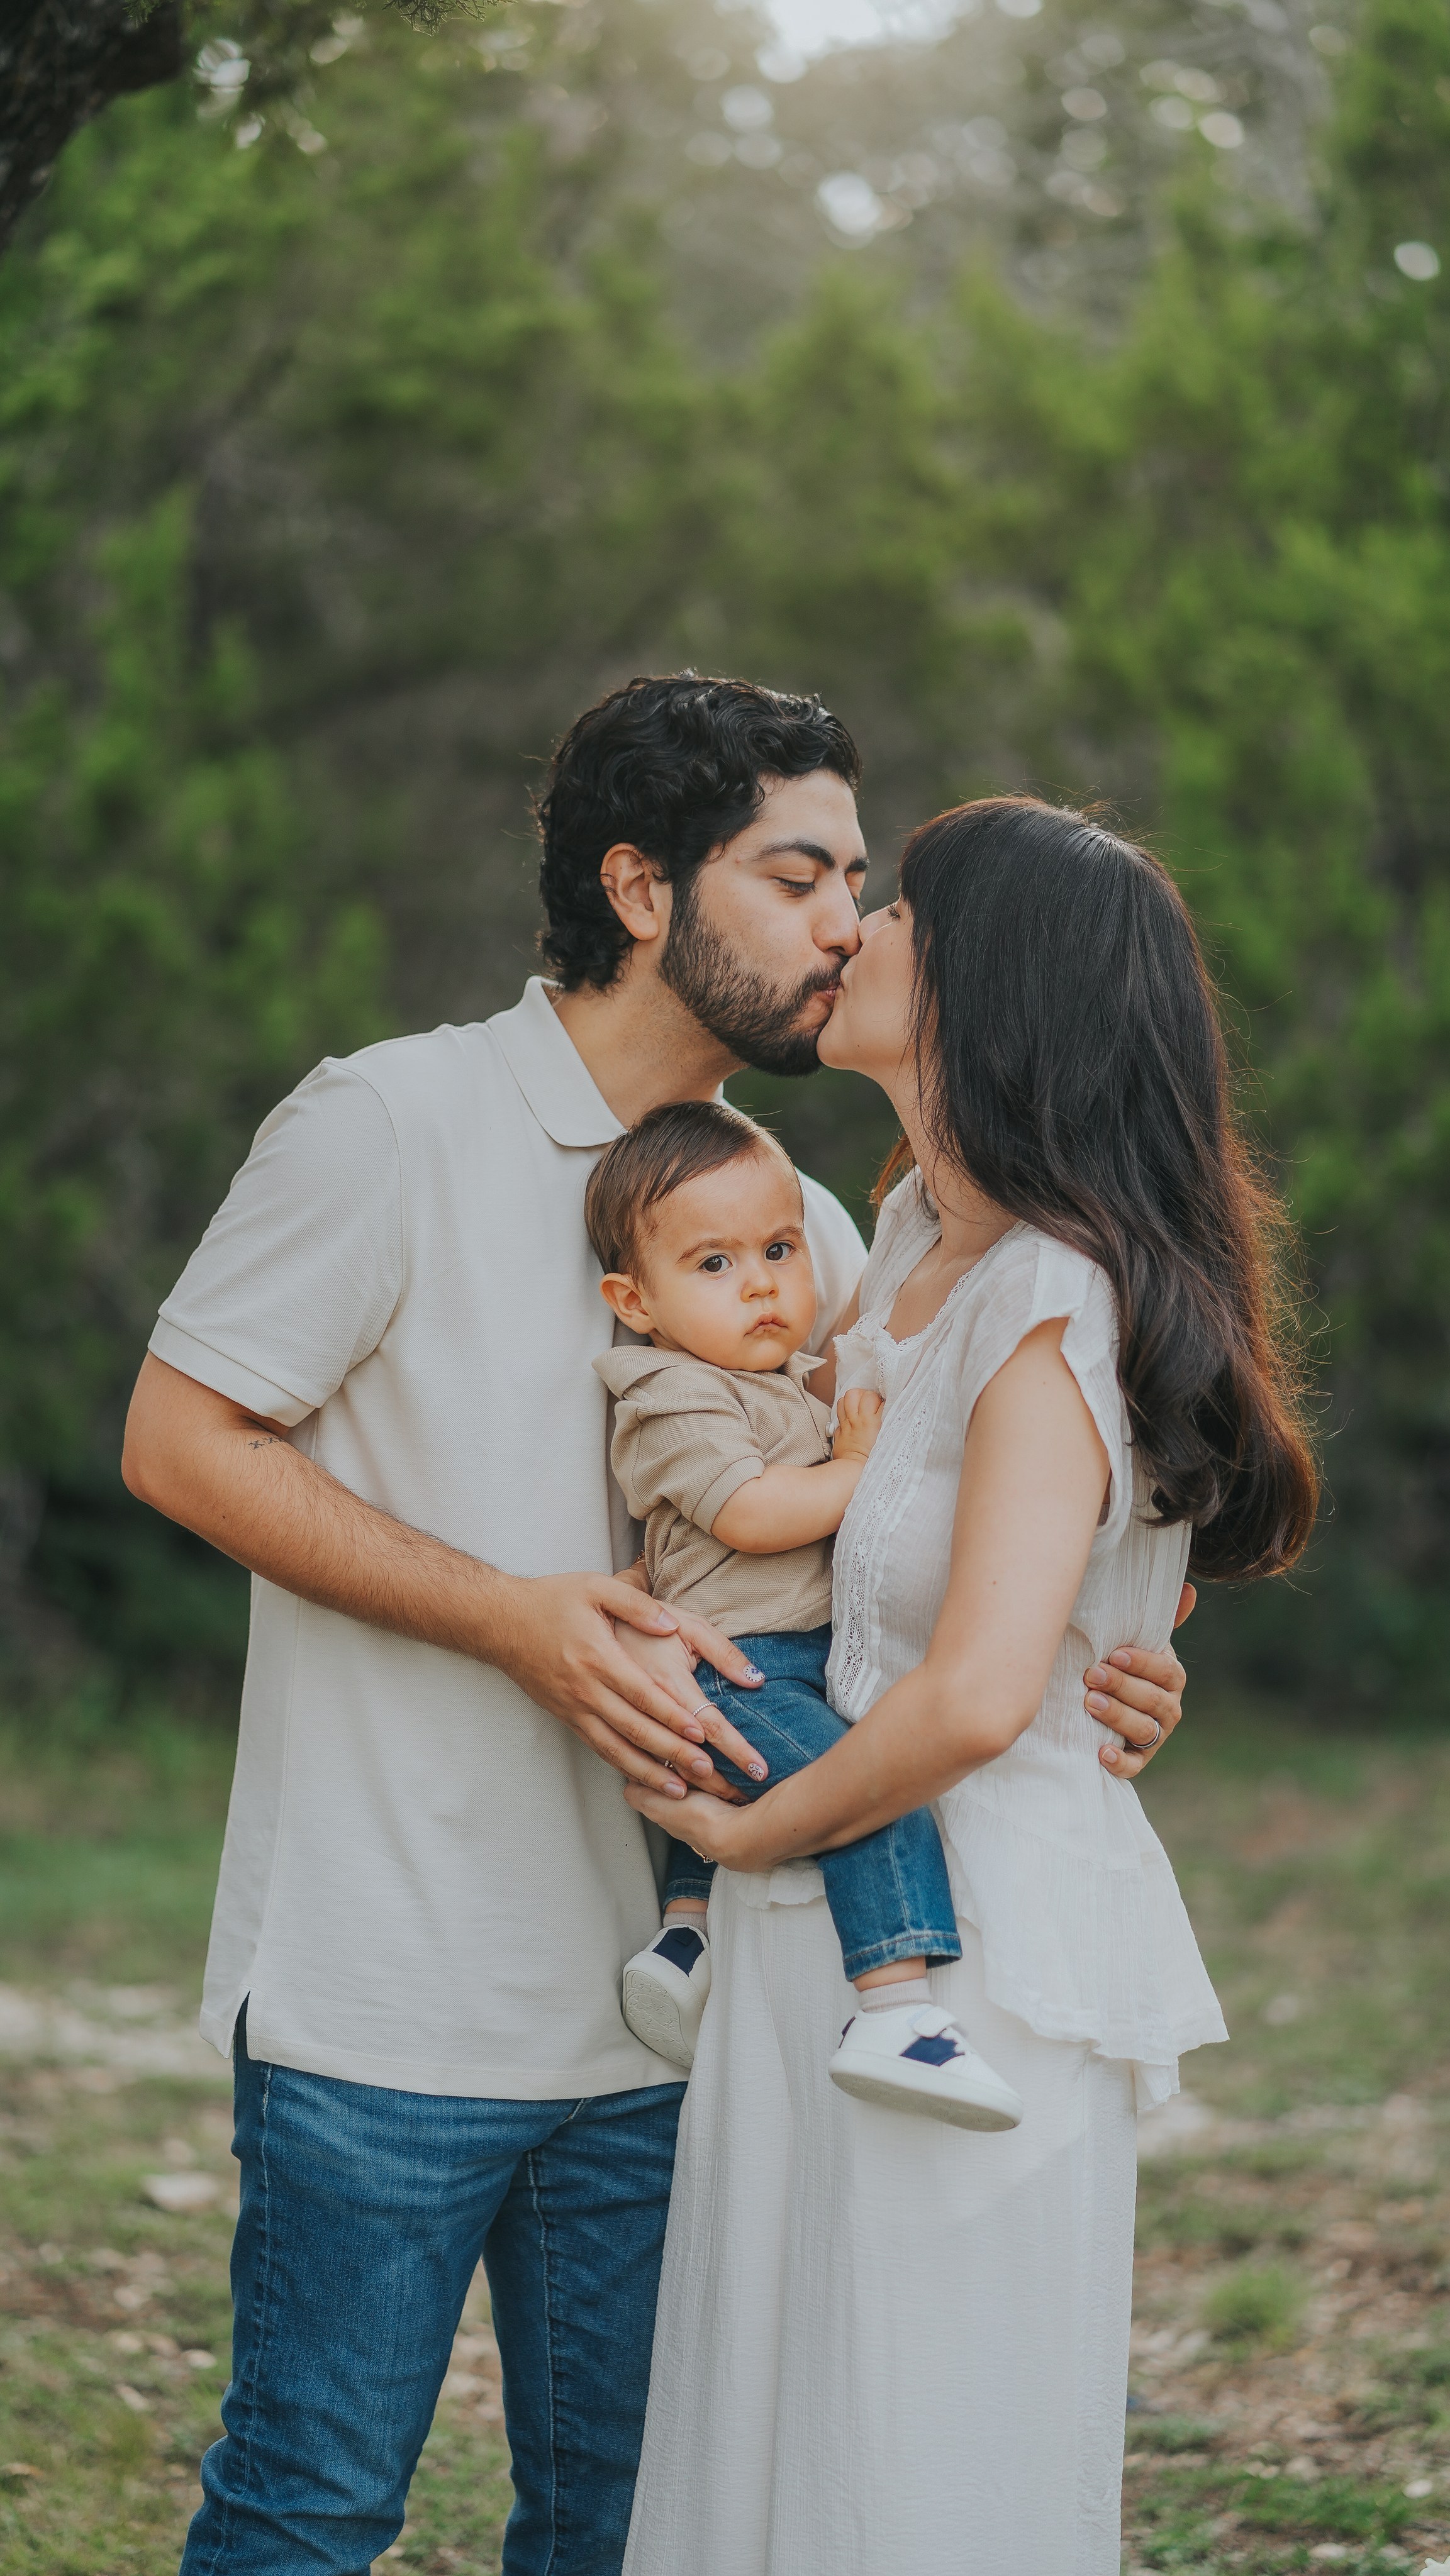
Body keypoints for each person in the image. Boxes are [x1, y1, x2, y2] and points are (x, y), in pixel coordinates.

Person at [120, 680, 1186, 2576]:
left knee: (612, 2531)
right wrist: (512, 1618)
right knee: (308, 2506)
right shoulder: (391, 1121)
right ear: (638, 886)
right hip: (398, 1986)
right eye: (799, 875)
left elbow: (934, 1523)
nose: (846, 924)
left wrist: (1096, 1662)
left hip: (681, 2013)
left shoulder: (796, 1218)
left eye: (863, 881)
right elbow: (178, 1441)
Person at [620, 796, 1319, 2576]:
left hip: (967, 1957)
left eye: (907, 906)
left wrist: (744, 1820)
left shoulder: (1050, 1297)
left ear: (989, 987)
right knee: (775, 2422)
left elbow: (986, 1690)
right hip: (821, 1912)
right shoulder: (903, 1228)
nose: (860, 926)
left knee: (912, 2458)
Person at [589, 1098, 1022, 2128]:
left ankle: (685, 1936)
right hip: (741, 1663)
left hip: (771, 1659)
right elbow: (750, 1512)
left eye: (778, 1250)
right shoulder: (668, 1395)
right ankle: (893, 2010)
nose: (761, 1285)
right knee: (862, 1793)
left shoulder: (772, 1382)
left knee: (764, 1782)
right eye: (713, 1265)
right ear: (633, 1300)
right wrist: (857, 1466)